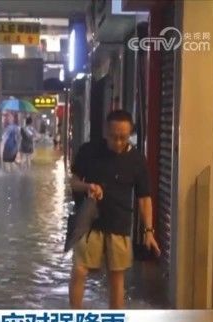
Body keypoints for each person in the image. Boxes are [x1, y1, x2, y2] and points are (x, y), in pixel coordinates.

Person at [68, 109, 161, 309]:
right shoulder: (89, 151)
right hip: (89, 222)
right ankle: (74, 321)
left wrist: (149, 232)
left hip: (119, 223)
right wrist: (88, 187)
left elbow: (144, 198)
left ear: (130, 135)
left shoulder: (137, 160)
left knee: (117, 278)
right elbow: (73, 182)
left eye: (123, 138)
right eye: (113, 137)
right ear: (105, 132)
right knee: (79, 270)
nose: (118, 142)